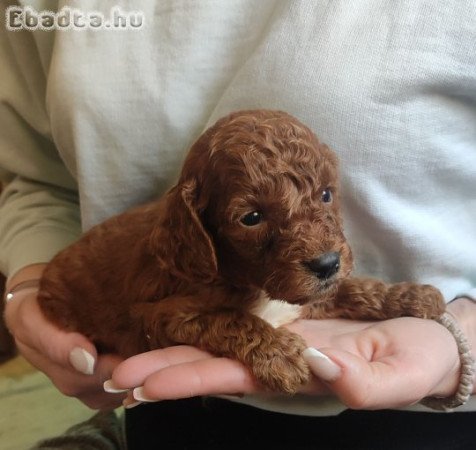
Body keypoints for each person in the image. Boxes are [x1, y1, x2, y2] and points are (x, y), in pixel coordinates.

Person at [1, 1, 475, 449]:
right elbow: (40, 181)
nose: (321, 248)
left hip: (431, 420)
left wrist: (459, 336)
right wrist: (26, 285)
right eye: (251, 217)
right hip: (160, 397)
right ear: (196, 231)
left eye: (324, 195)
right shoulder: (193, 260)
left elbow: (309, 296)